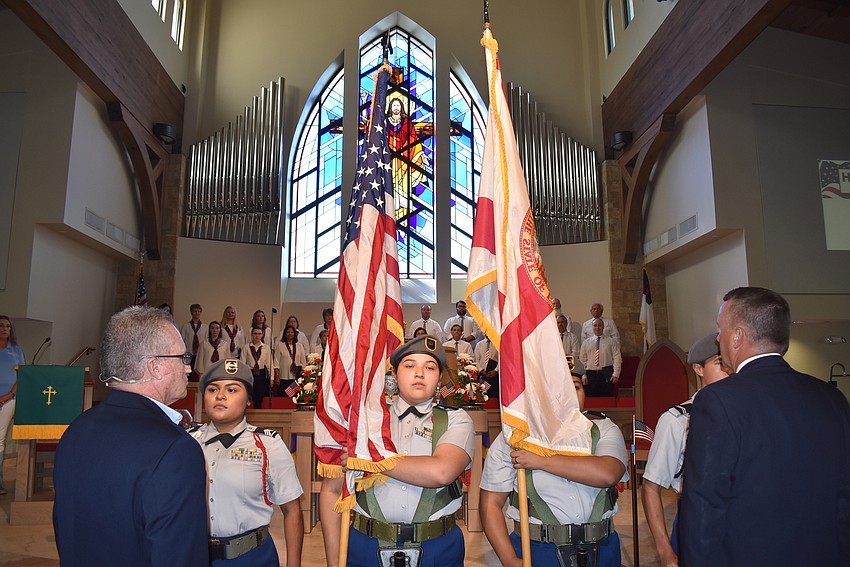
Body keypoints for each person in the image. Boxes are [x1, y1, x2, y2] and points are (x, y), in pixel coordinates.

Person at [680, 287, 850, 566]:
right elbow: (844, 499)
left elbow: (704, 506)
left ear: (738, 336)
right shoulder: (832, 398)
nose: (719, 338)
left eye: (721, 329)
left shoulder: (718, 400)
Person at [53, 306, 208, 566]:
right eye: (182, 357)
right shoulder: (176, 449)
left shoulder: (77, 430)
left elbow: (67, 531)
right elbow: (180, 557)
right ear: (155, 366)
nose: (188, 367)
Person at [322, 335, 475, 567]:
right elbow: (332, 490)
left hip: (437, 547)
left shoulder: (456, 420)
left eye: (430, 367)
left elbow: (442, 472)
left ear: (440, 377)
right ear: (394, 374)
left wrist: (369, 459)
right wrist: (334, 561)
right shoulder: (364, 422)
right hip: (366, 546)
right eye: (410, 366)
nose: (419, 373)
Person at [479, 360, 628, 567]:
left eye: (576, 387)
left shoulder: (603, 429)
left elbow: (607, 473)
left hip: (602, 547)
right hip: (539, 549)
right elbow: (490, 504)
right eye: (560, 388)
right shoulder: (514, 438)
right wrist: (509, 559)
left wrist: (540, 461)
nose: (570, 395)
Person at [190, 359, 303, 565]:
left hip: (252, 557)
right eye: (212, 389)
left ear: (249, 399)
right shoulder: (187, 442)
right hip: (195, 555)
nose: (220, 396)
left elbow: (292, 510)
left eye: (232, 390)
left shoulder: (267, 444)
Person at [641, 332, 731, 566]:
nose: (729, 369)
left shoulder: (746, 414)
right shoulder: (677, 420)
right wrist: (665, 552)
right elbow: (651, 486)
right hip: (699, 523)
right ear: (698, 369)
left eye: (731, 361)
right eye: (720, 362)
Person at [0, 315, 24, 496]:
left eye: (8, 326)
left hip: (9, 400)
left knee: (0, 441)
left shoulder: (16, 350)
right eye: (1, 326)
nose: (5, 329)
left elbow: (22, 375)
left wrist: (9, 395)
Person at [579, 318, 621, 397]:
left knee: (607, 399)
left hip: (606, 373)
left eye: (599, 325)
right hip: (590, 375)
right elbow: (582, 360)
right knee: (592, 400)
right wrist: (583, 375)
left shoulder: (611, 341)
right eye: (595, 326)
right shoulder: (586, 343)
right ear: (592, 327)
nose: (597, 328)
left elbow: (617, 358)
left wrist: (616, 374)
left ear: (603, 327)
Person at [241, 326, 274, 410]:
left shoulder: (266, 348)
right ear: (252, 335)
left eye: (259, 334)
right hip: (250, 373)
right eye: (255, 334)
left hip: (261, 374)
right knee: (250, 395)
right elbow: (242, 364)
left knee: (260, 396)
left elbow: (269, 364)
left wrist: (271, 378)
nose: (257, 336)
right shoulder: (246, 347)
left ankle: (258, 412)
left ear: (262, 335)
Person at [275, 325, 306, 397]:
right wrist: (277, 376)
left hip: (295, 377)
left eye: (292, 332)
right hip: (283, 376)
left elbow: (303, 362)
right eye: (288, 332)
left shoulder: (299, 346)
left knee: (293, 397)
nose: (290, 334)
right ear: (285, 334)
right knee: (283, 397)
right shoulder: (280, 345)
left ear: (294, 334)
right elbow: (276, 362)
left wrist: (303, 376)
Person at [181, 303, 208, 375]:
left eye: (198, 311)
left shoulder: (205, 327)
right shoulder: (186, 326)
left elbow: (206, 342)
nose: (197, 313)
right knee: (188, 373)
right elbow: (182, 341)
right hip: (189, 354)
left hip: (200, 354)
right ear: (191, 312)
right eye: (195, 311)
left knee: (199, 373)